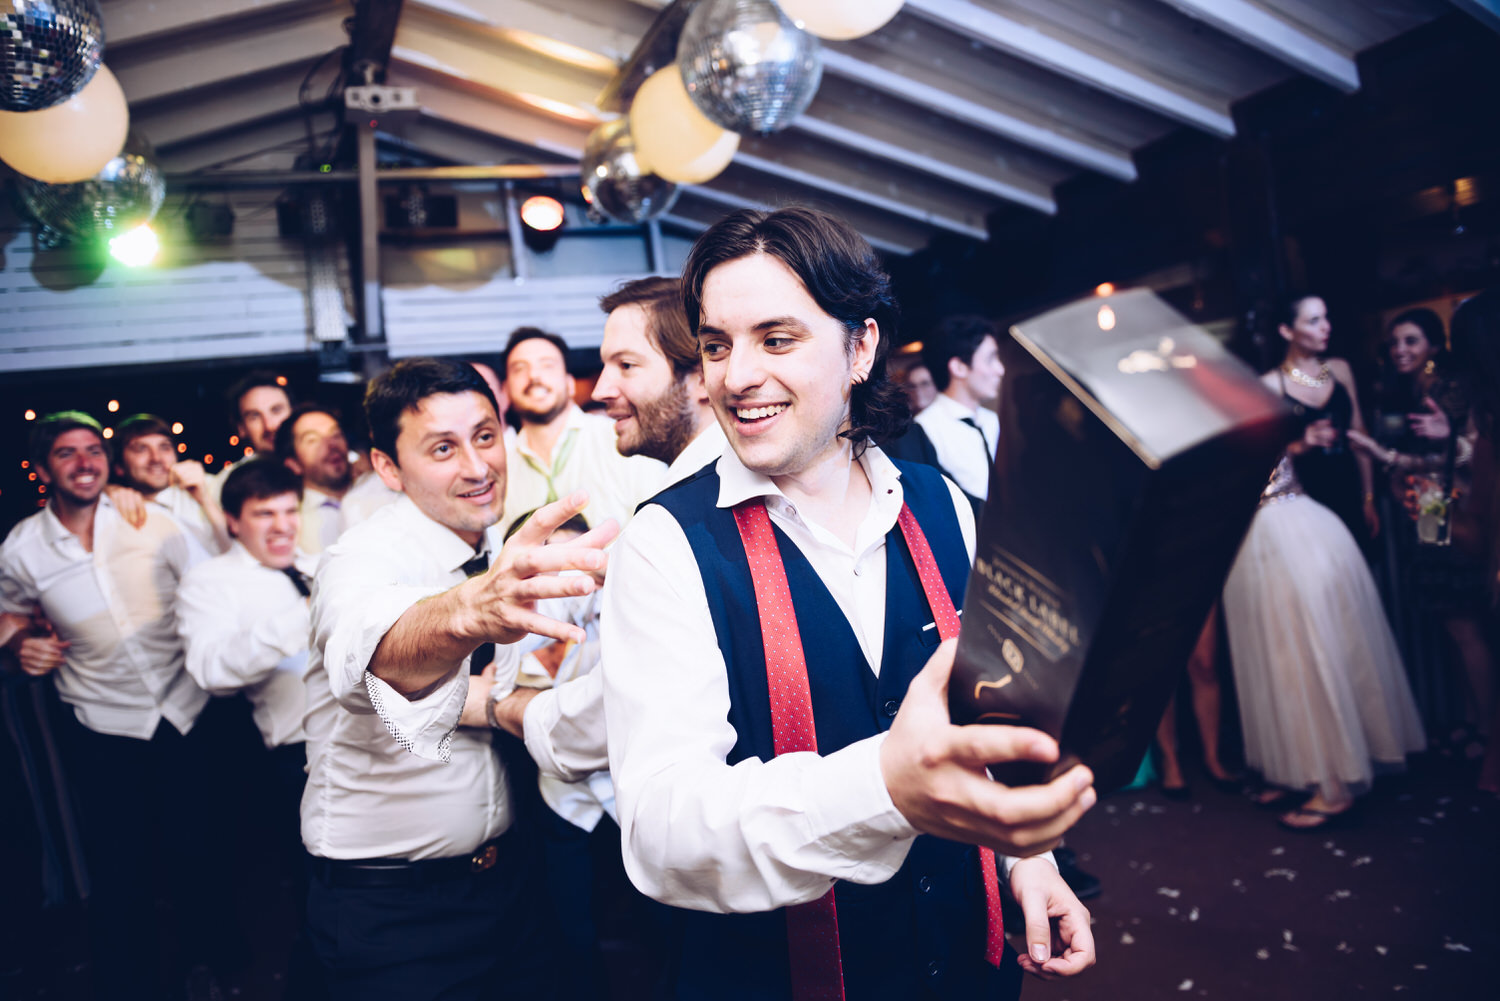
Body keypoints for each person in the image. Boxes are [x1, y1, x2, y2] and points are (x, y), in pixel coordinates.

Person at [598, 207, 1095, 1000]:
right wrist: (885, 786)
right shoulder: (665, 542)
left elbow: (981, 722)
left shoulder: (943, 505)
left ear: (861, 347)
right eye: (717, 345)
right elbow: (663, 833)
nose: (735, 375)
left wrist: (1024, 857)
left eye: (777, 339)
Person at [301, 356, 615, 999]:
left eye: (485, 436)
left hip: (508, 882)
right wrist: (470, 612)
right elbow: (368, 658)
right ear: (388, 467)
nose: (477, 467)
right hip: (392, 905)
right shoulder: (362, 558)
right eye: (442, 448)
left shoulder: (499, 547)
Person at [0, 411, 221, 1000]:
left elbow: (212, 586)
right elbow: (9, 612)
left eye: (93, 450)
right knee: (121, 865)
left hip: (184, 709)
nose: (84, 462)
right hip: (101, 723)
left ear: (107, 462)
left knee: (195, 849)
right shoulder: (24, 548)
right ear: (42, 468)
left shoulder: (150, 517)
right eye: (66, 453)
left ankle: (206, 965)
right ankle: (133, 984)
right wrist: (20, 644)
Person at [1222, 346, 1427, 830]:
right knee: (1278, 660)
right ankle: (1297, 771)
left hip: (1280, 535)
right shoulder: (1245, 409)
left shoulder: (1247, 411)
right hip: (1279, 532)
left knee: (1301, 657)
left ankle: (1331, 784)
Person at [1349, 308, 1493, 768]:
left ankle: (1489, 735)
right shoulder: (1418, 388)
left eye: (1410, 341)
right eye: (1394, 342)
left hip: (1457, 509)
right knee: (1449, 621)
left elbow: (1479, 452)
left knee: (1464, 624)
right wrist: (1385, 458)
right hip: (1432, 507)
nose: (1400, 350)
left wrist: (1447, 437)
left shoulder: (1451, 387)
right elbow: (1428, 464)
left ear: (1435, 344)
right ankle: (1471, 722)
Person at [499, 325, 665, 536]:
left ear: (570, 384)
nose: (534, 376)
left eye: (547, 366)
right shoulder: (501, 467)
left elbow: (660, 526)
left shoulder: (622, 441)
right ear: (506, 390)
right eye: (520, 369)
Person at [1272, 294, 1379, 546]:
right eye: (1313, 321)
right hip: (1306, 499)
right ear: (1287, 331)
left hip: (1349, 489)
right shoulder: (1271, 384)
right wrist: (1301, 445)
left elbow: (1359, 433)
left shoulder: (1340, 369)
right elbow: (1263, 461)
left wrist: (1368, 498)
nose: (1326, 327)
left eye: (1326, 318)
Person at [273, 402, 397, 552]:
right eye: (312, 440)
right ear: (293, 464)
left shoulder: (384, 486)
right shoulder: (292, 523)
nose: (331, 445)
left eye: (336, 434)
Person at [112, 413, 231, 553]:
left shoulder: (210, 486)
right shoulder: (112, 506)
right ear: (119, 466)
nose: (156, 458)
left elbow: (241, 551)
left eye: (164, 447)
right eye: (141, 449)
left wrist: (205, 500)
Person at [915, 315, 1004, 501]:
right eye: (990, 359)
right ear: (959, 367)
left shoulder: (992, 420)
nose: (1000, 370)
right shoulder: (924, 430)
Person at [207, 370, 294, 503]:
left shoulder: (319, 465)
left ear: (293, 414)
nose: (269, 426)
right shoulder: (227, 484)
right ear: (241, 428)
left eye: (276, 410)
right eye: (255, 416)